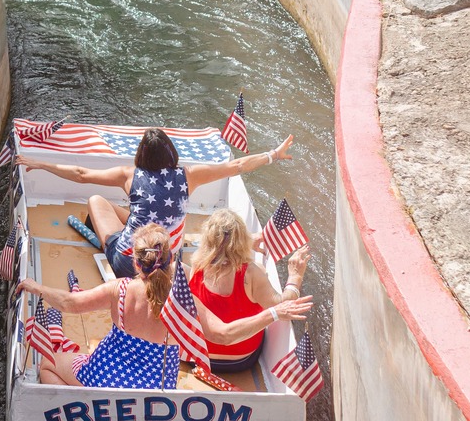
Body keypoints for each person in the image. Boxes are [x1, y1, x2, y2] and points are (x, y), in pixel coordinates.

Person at [17, 225, 311, 390]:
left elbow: (69, 303)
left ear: (134, 262)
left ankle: (83, 410)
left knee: (49, 363)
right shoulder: (184, 302)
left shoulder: (117, 290)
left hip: (104, 381)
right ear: (171, 260)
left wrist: (35, 287)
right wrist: (273, 313)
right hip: (153, 390)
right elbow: (224, 334)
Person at [22, 127, 294, 278]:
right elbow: (237, 165)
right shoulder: (189, 176)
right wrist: (273, 154)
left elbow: (81, 175)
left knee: (96, 200)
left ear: (141, 154)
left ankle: (112, 241)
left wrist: (41, 164)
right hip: (166, 262)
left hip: (131, 263)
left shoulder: (129, 175)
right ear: (171, 153)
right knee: (132, 216)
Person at [187, 209, 310, 372]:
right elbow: (282, 303)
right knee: (260, 270)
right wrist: (295, 277)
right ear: (241, 240)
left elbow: (220, 251)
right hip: (239, 361)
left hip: (197, 357)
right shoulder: (251, 273)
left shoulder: (197, 263)